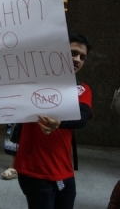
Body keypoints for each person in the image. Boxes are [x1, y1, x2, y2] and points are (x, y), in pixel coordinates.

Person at [13, 32, 93, 209]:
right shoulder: (32, 82)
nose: (78, 59)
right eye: (72, 53)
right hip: (34, 171)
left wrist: (60, 123)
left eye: (82, 57)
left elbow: (82, 117)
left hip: (64, 171)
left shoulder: (82, 89)